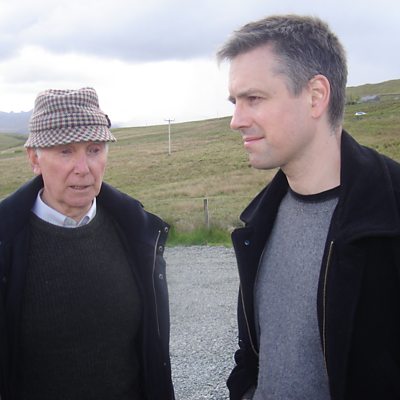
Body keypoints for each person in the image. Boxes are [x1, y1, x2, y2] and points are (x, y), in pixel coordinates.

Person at [217, 14, 400, 400]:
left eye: (254, 99)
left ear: (316, 96)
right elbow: (253, 354)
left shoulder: (391, 213)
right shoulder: (258, 222)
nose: (236, 120)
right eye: (235, 102)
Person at [0, 87, 175, 400]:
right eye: (65, 151)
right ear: (34, 159)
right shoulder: (5, 241)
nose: (83, 168)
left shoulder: (135, 231)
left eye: (94, 149)